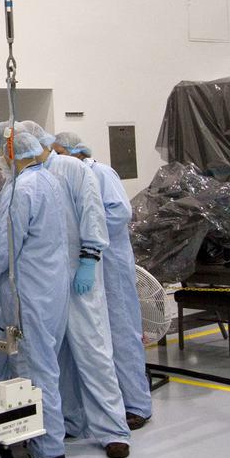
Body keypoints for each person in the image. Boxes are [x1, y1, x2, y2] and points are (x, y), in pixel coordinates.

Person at [14, 121, 131, 458]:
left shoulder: (71, 169)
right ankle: (71, 422)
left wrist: (89, 259)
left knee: (93, 351)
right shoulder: (26, 179)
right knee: (56, 357)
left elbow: (93, 214)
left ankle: (113, 430)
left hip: (79, 273)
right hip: (46, 280)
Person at [0, 128, 70, 458]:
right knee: (46, 364)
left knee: (35, 368)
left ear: (10, 152)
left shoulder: (22, 188)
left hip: (29, 290)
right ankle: (51, 437)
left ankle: (48, 446)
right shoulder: (48, 180)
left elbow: (7, 248)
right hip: (51, 287)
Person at [55, 134, 152, 430]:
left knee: (123, 333)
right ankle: (100, 407)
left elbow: (119, 212)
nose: (56, 158)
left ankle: (137, 405)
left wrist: (87, 232)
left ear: (75, 151)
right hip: (88, 264)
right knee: (97, 340)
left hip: (111, 265)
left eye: (59, 152)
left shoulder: (101, 172)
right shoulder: (70, 177)